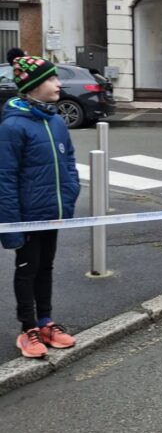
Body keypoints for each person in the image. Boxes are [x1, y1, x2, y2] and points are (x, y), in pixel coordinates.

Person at [0, 57, 80, 358]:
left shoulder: (56, 121)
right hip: (27, 217)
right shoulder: (12, 127)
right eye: (51, 79)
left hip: (52, 211)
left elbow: (69, 162)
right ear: (33, 86)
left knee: (46, 267)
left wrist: (70, 194)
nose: (58, 84)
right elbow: (4, 178)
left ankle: (46, 321)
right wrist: (11, 225)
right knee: (27, 269)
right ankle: (28, 328)